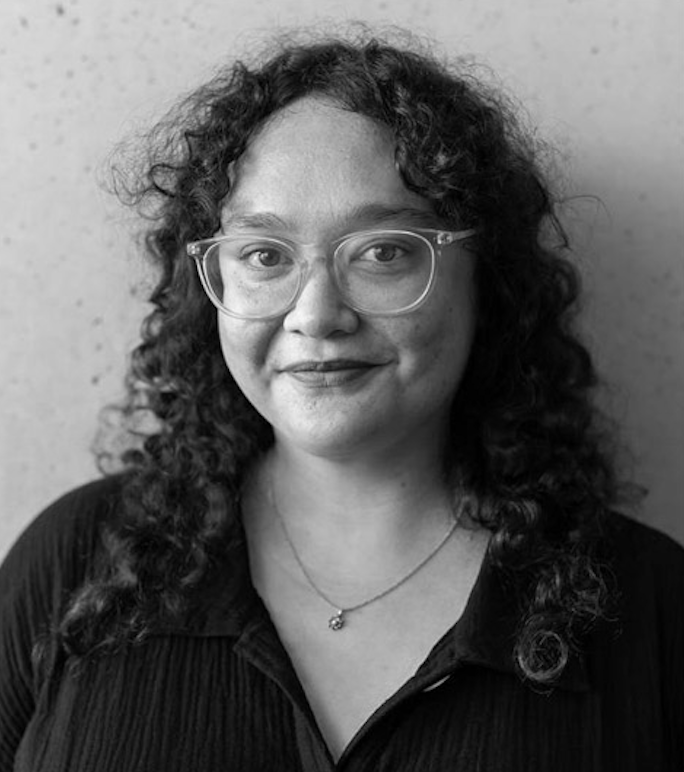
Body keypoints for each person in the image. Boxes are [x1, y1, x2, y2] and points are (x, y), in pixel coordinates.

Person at [0, 31, 682, 772]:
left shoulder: (652, 610)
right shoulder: (75, 561)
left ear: (485, 278)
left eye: (384, 250)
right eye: (264, 255)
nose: (317, 315)